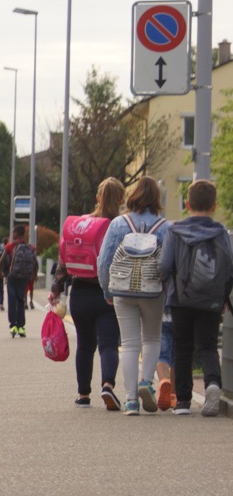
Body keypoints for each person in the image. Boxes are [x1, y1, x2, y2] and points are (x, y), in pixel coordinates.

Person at [157, 178, 232, 416]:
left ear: (187, 205)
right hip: (211, 300)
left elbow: (164, 266)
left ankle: (183, 402)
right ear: (214, 206)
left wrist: (168, 285)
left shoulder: (175, 231)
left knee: (182, 347)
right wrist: (223, 297)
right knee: (208, 346)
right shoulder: (221, 233)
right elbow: (229, 267)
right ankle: (212, 384)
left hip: (180, 299)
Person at [99, 177, 171, 416]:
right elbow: (169, 264)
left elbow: (104, 261)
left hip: (122, 289)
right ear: (157, 199)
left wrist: (107, 291)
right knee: (151, 339)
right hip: (153, 291)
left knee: (129, 344)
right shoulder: (166, 227)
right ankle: (146, 382)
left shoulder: (118, 224)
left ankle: (131, 401)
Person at [51, 177, 125, 408]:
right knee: (108, 344)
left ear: (97, 198)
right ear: (121, 199)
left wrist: (56, 288)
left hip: (80, 293)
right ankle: (108, 385)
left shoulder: (81, 225)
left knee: (85, 345)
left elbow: (64, 260)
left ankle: (83, 394)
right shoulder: (120, 226)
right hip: (109, 293)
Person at [5, 231, 38, 338]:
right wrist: (33, 275)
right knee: (21, 301)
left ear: (15, 234)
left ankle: (13, 325)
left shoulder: (10, 246)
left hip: (12, 277)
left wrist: (1, 272)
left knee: (12, 301)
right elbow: (35, 263)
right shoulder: (30, 247)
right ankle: (21, 327)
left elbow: (1, 261)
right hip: (24, 277)